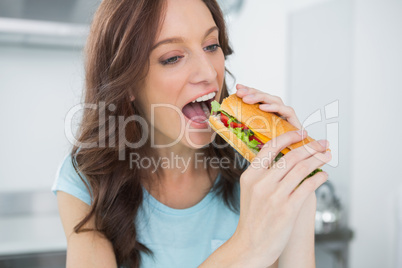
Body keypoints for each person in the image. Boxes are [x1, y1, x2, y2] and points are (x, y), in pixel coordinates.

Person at [52, 0, 332, 267]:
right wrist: (244, 247)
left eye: (212, 45)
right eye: (173, 57)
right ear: (128, 83)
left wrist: (299, 188)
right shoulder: (86, 180)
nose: (208, 72)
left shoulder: (258, 172)